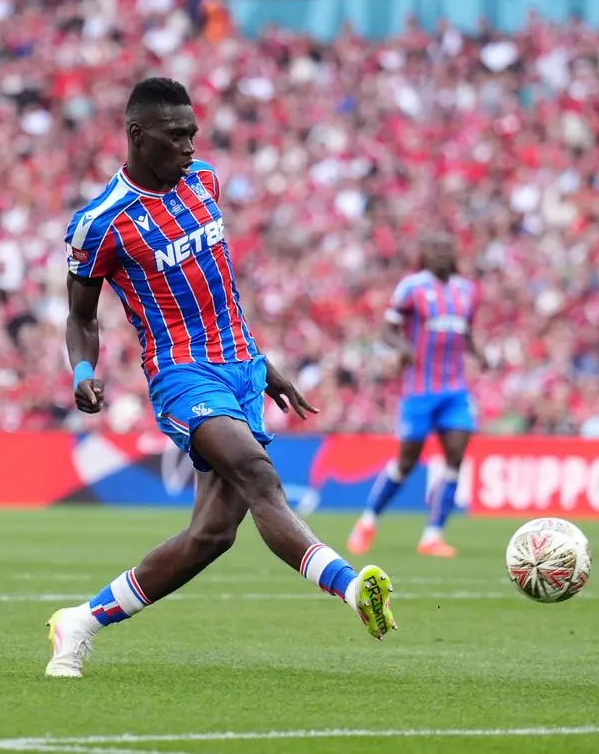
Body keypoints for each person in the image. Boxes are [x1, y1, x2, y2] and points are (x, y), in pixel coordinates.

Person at [44, 78, 397, 678]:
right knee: (260, 475)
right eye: (175, 135)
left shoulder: (203, 181)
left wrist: (264, 364)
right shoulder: (100, 222)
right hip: (182, 375)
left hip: (239, 369)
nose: (188, 146)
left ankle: (79, 620)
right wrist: (82, 370)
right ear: (137, 135)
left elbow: (220, 288)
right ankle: (350, 583)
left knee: (211, 536)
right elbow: (80, 317)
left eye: (193, 134)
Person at [347, 233, 483, 558]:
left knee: (456, 455)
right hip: (419, 389)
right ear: (425, 253)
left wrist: (480, 354)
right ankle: (367, 522)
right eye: (434, 248)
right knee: (407, 461)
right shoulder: (412, 287)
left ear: (453, 253)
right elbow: (387, 330)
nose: (440, 253)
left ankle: (433, 534)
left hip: (455, 389)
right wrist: (405, 348)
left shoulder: (467, 291)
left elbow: (467, 332)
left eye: (445, 247)